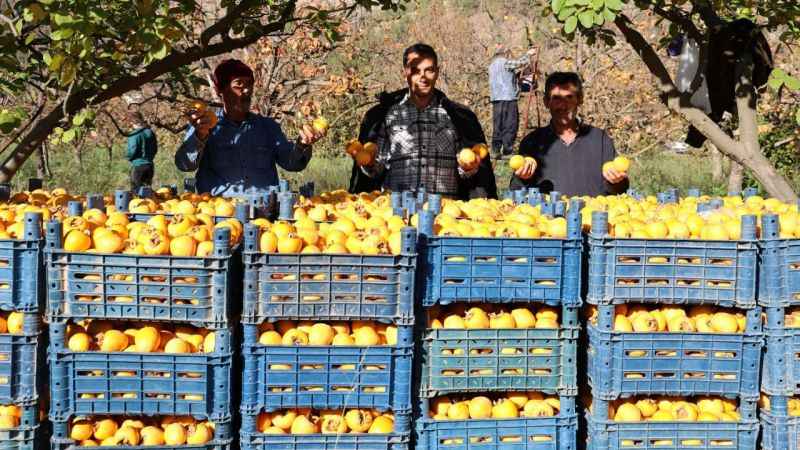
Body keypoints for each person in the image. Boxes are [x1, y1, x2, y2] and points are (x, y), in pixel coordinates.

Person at [348, 43, 497, 200]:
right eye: (415, 70)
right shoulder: (388, 114)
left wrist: (469, 168)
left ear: (437, 72)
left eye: (429, 70)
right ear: (405, 72)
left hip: (445, 216)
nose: (423, 77)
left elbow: (466, 171)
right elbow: (377, 169)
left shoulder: (457, 116)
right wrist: (368, 163)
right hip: (396, 215)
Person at [175, 59, 325, 196]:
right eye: (239, 84)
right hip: (220, 213)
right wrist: (200, 135)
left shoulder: (268, 127)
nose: (246, 90)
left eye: (249, 84)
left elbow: (292, 164)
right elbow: (184, 165)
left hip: (264, 213)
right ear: (221, 90)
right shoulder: (206, 125)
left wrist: (302, 145)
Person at [509, 72, 629, 196]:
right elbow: (516, 190)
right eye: (556, 98)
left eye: (569, 97)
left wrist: (616, 181)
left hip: (594, 213)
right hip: (545, 215)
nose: (563, 105)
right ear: (546, 102)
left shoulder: (600, 139)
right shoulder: (532, 142)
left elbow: (620, 190)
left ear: (580, 99)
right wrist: (523, 177)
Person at [488, 45, 536, 160]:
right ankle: (507, 150)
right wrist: (529, 54)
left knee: (498, 125)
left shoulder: (492, 66)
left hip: (496, 99)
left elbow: (506, 77)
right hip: (508, 98)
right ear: (505, 53)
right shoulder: (504, 62)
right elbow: (520, 62)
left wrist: (516, 79)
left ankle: (495, 150)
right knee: (510, 124)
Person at [126, 109, 158, 192]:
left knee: (136, 193)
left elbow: (132, 150)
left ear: (131, 122)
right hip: (150, 166)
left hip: (138, 166)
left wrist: (128, 157)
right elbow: (155, 149)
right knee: (147, 192)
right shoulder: (150, 132)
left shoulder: (134, 134)